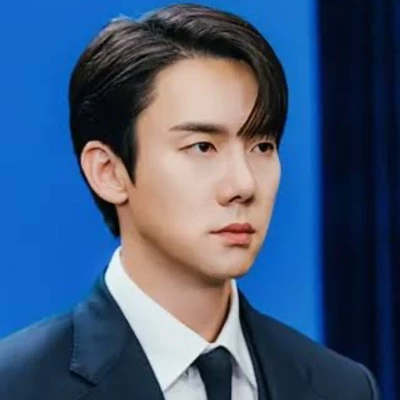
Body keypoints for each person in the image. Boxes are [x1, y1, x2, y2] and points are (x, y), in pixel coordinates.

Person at [0, 3, 380, 399]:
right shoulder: (17, 386)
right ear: (108, 171)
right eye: (202, 147)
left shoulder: (342, 387)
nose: (243, 184)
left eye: (262, 146)